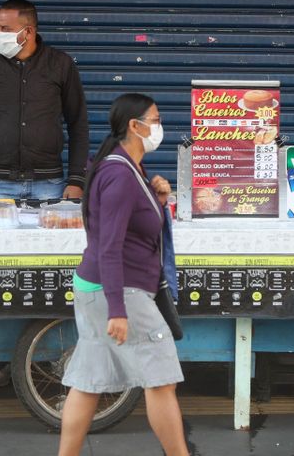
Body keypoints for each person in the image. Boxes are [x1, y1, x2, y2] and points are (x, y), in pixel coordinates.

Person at [59, 94, 189, 456]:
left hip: (100, 287)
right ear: (135, 125)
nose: (159, 127)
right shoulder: (120, 173)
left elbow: (128, 225)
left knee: (88, 381)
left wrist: (156, 199)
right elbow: (109, 246)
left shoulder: (125, 168)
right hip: (118, 291)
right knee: (161, 379)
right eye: (156, 119)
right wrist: (117, 309)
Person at [0, 0, 89, 200]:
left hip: (49, 185)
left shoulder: (60, 64)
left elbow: (78, 125)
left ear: (28, 32)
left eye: (5, 29)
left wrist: (77, 180)